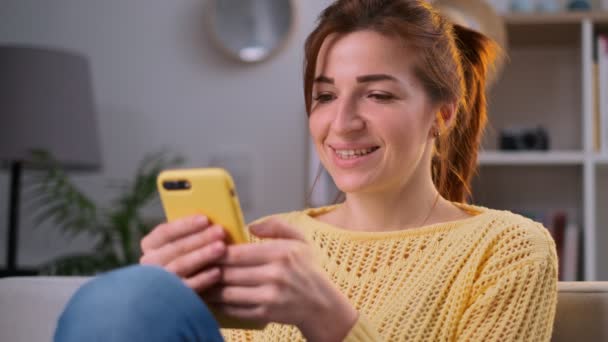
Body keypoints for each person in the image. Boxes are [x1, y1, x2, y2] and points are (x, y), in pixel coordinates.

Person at [54, 0, 558, 341]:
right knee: (128, 297)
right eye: (324, 96)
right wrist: (162, 296)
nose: (341, 123)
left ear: (441, 115)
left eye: (378, 94)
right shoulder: (267, 245)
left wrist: (326, 315)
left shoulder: (507, 248)